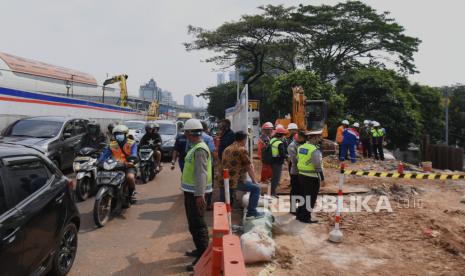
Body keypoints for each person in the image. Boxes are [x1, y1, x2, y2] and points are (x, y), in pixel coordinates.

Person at [181, 119, 212, 271]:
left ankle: (203, 257)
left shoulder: (199, 149)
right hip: (191, 192)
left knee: (198, 226)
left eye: (186, 132)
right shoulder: (196, 147)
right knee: (194, 225)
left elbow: (201, 174)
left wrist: (200, 195)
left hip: (196, 194)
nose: (185, 135)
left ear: (189, 133)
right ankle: (200, 250)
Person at [222, 131, 264, 219]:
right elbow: (248, 167)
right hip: (233, 180)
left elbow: (234, 165)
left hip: (224, 179)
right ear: (244, 139)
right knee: (256, 188)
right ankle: (251, 213)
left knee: (226, 203)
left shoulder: (228, 148)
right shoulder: (241, 149)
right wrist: (254, 181)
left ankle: (225, 217)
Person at [98, 124, 138, 203]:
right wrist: (99, 161)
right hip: (115, 164)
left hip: (128, 164)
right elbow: (104, 155)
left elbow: (134, 154)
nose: (118, 136)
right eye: (116, 134)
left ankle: (131, 194)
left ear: (126, 134)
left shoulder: (132, 143)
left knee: (130, 177)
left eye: (120, 134)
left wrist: (132, 160)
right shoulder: (112, 144)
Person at [296, 130, 325, 223]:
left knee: (303, 196)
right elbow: (317, 165)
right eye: (319, 137)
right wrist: (322, 178)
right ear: (315, 138)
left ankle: (299, 215)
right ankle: (305, 218)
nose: (320, 139)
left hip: (301, 175)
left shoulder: (301, 147)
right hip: (311, 177)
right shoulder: (314, 150)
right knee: (310, 198)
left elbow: (298, 159)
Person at [287, 131, 306, 215]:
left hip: (304, 172)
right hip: (295, 172)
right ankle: (293, 209)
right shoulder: (292, 146)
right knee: (295, 190)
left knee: (302, 190)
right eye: (303, 138)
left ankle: (300, 208)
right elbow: (294, 160)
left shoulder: (304, 144)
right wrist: (305, 160)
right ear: (299, 137)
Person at [200, 121, 216, 210]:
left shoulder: (192, 138)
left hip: (195, 165)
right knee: (209, 184)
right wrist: (216, 161)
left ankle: (198, 203)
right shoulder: (208, 138)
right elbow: (212, 151)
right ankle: (208, 204)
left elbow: (187, 151)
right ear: (206, 129)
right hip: (207, 165)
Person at [270, 125, 288, 197]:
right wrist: (287, 157)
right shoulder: (279, 143)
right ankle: (273, 193)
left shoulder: (272, 140)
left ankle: (271, 191)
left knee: (273, 177)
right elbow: (282, 154)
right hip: (277, 163)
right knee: (276, 178)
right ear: (282, 135)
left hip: (272, 161)